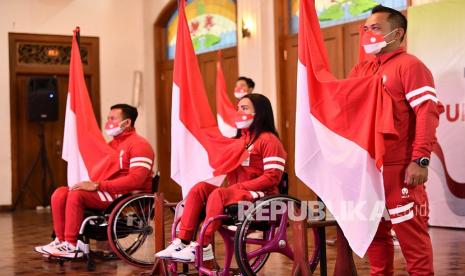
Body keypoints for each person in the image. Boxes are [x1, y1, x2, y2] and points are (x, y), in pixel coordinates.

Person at [348, 5, 439, 275]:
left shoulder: (410, 66)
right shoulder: (363, 70)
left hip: (400, 169)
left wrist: (420, 160)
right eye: (365, 28)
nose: (367, 33)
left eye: (375, 28)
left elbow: (427, 113)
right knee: (376, 237)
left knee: (413, 239)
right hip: (370, 171)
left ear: (397, 33)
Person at [155, 93, 286, 262]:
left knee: (219, 194)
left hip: (263, 195)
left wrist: (240, 188)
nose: (238, 112)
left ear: (259, 112)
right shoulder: (241, 141)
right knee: (200, 188)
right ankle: (182, 240)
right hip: (236, 193)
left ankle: (204, 245)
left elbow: (273, 177)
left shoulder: (269, 140)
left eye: (244, 108)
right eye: (237, 108)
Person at [34, 104, 155, 258]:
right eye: (108, 118)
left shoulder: (140, 145)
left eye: (112, 118)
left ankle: (71, 244)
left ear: (127, 122)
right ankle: (60, 240)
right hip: (107, 191)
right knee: (60, 193)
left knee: (77, 195)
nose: (108, 122)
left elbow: (136, 181)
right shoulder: (110, 145)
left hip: (124, 196)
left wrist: (98, 185)